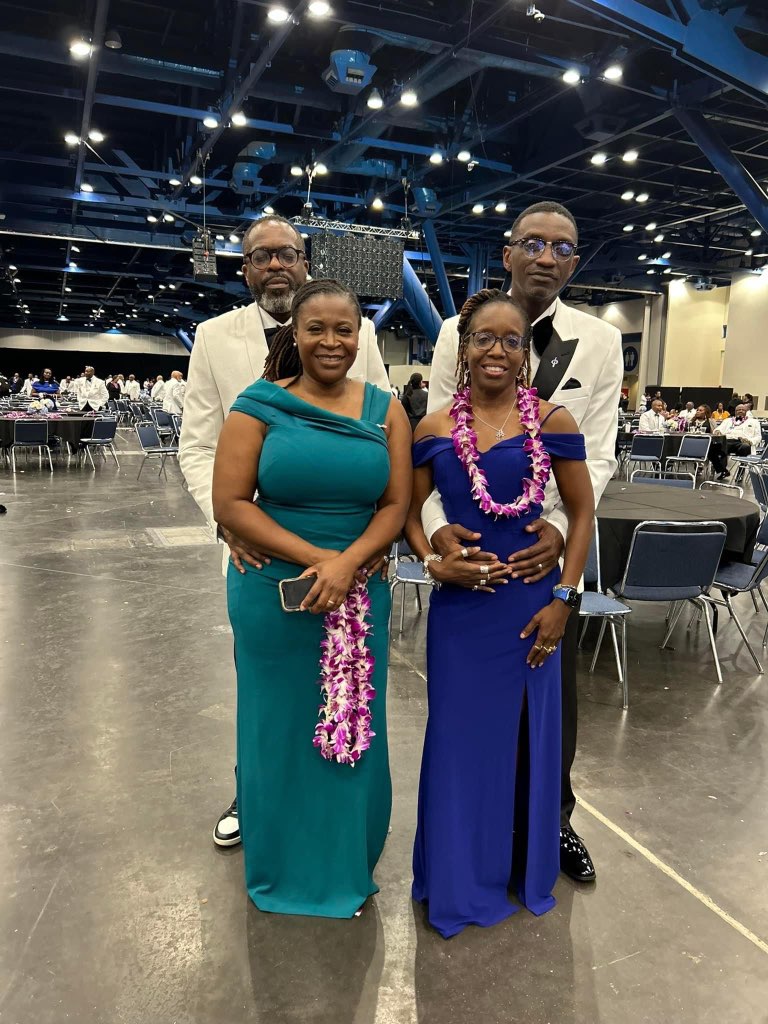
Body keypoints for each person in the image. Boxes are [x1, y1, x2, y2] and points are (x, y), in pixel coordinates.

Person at [424, 201, 623, 884]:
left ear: (575, 261)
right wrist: (433, 535)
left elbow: (597, 454)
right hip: (475, 547)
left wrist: (562, 530)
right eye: (533, 243)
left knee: (550, 702)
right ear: (507, 252)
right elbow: (434, 445)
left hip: (542, 552)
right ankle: (473, 836)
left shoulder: (598, 341)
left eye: (563, 248)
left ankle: (552, 823)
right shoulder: (456, 329)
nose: (547, 257)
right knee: (471, 714)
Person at [179, 213, 391, 848]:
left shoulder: (361, 335)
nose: (275, 265)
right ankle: (256, 798)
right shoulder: (215, 337)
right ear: (244, 270)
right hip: (256, 553)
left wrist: (363, 545)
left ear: (306, 262)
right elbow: (198, 446)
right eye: (260, 256)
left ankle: (330, 816)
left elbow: (376, 431)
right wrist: (226, 523)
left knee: (348, 684)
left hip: (351, 554)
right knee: (267, 691)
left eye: (286, 254)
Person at [211, 278, 411, 917]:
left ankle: (338, 854)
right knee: (280, 722)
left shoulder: (386, 409)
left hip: (358, 589)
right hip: (274, 588)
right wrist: (320, 560)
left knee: (352, 718)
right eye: (316, 329)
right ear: (292, 336)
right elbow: (231, 502)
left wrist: (348, 564)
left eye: (344, 329)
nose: (331, 341)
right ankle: (281, 857)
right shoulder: (258, 405)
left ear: (360, 336)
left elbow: (396, 504)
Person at [405, 289, 593, 938]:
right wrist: (433, 555)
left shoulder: (555, 422)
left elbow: (583, 511)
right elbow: (408, 508)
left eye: (512, 340)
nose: (497, 350)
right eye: (484, 337)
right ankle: (458, 879)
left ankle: (522, 868)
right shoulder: (431, 429)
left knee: (528, 743)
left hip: (532, 611)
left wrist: (565, 598)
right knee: (459, 746)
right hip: (461, 613)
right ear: (463, 347)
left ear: (526, 354)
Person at [714, 403, 762, 476]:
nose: (740, 411)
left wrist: (750, 441)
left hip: (742, 442)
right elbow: (718, 429)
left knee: (745, 447)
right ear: (735, 411)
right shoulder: (728, 420)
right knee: (720, 446)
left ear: (746, 412)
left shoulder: (754, 422)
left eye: (743, 410)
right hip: (728, 441)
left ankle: (740, 473)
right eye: (738, 410)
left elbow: (758, 437)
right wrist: (717, 432)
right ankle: (723, 470)